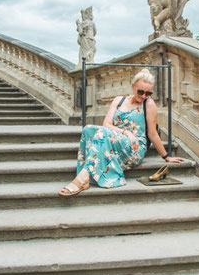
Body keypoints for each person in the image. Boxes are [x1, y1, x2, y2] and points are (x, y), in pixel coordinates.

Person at [59, 68, 185, 196]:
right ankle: (88, 173)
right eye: (140, 92)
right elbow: (106, 124)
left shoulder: (149, 104)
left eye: (148, 93)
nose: (143, 96)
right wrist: (127, 133)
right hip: (116, 139)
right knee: (88, 129)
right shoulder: (118, 100)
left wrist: (167, 157)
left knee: (103, 134)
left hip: (134, 147)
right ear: (132, 86)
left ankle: (83, 178)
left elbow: (152, 133)